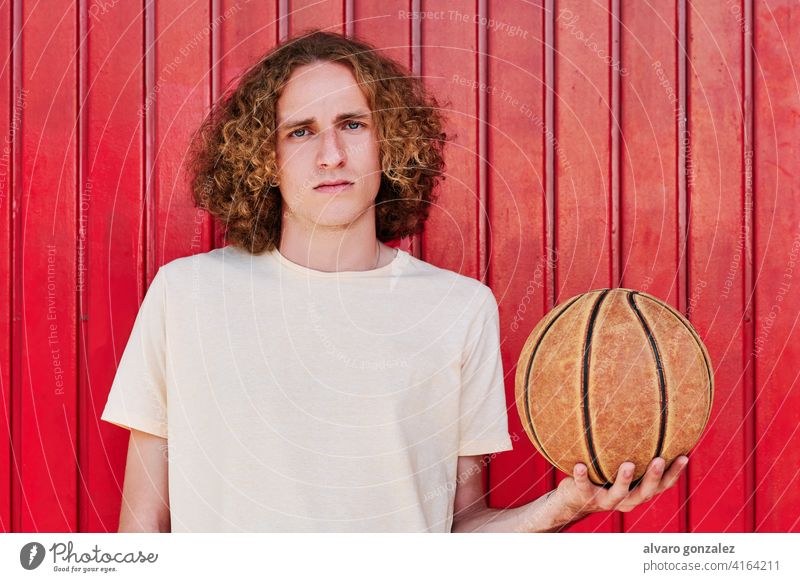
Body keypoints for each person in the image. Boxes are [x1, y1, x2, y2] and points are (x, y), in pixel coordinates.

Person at [101, 29, 687, 533]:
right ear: (262, 157)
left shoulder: (458, 310)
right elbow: (142, 531)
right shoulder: (185, 296)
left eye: (352, 124)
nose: (331, 154)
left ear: (390, 146)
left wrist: (563, 506)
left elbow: (460, 528)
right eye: (300, 131)